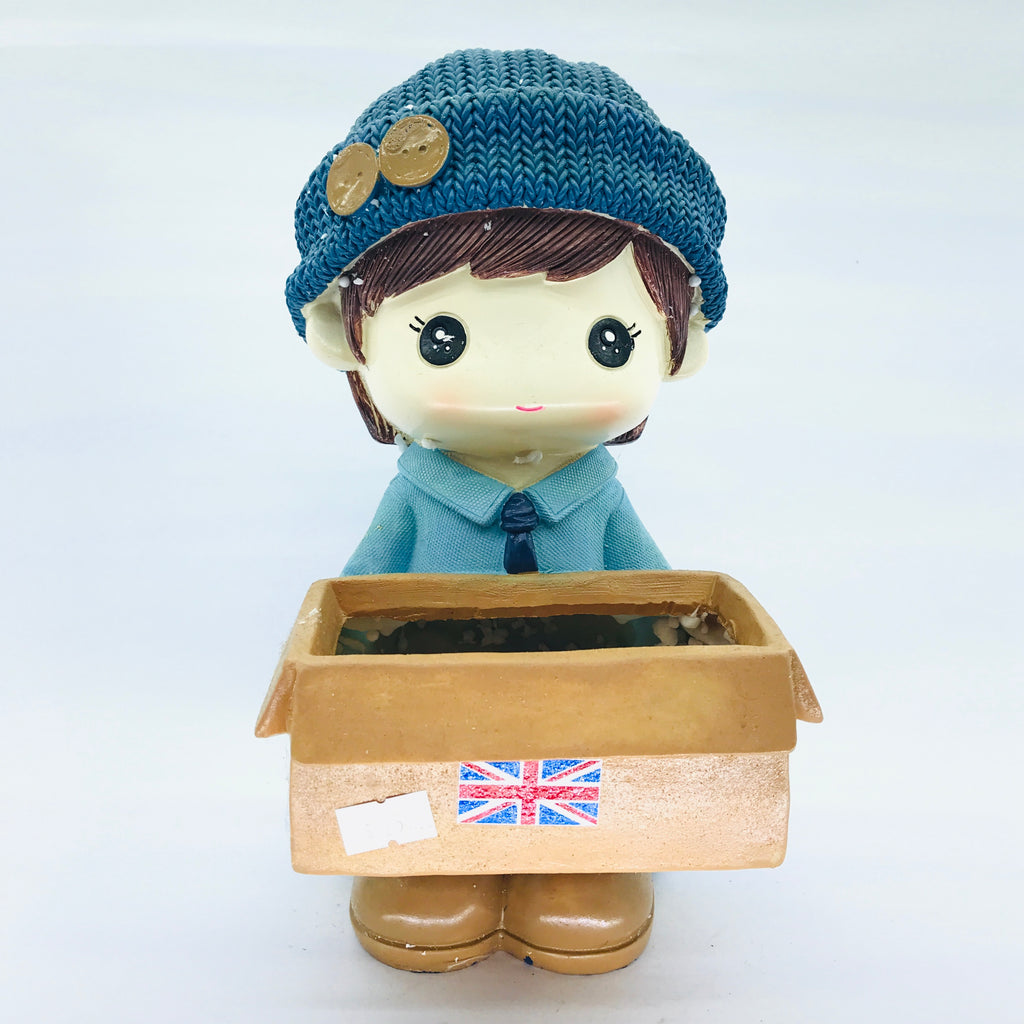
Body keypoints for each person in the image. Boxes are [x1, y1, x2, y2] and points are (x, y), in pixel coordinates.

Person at [284, 48, 727, 973]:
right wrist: (336, 678)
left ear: (678, 346)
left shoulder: (595, 498)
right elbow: (359, 600)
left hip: (585, 705)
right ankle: (427, 856)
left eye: (608, 339)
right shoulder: (417, 500)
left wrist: (683, 662)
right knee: (429, 768)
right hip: (431, 699)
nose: (525, 384)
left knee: (583, 768)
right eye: (443, 338)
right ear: (342, 334)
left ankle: (582, 860)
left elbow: (655, 595)